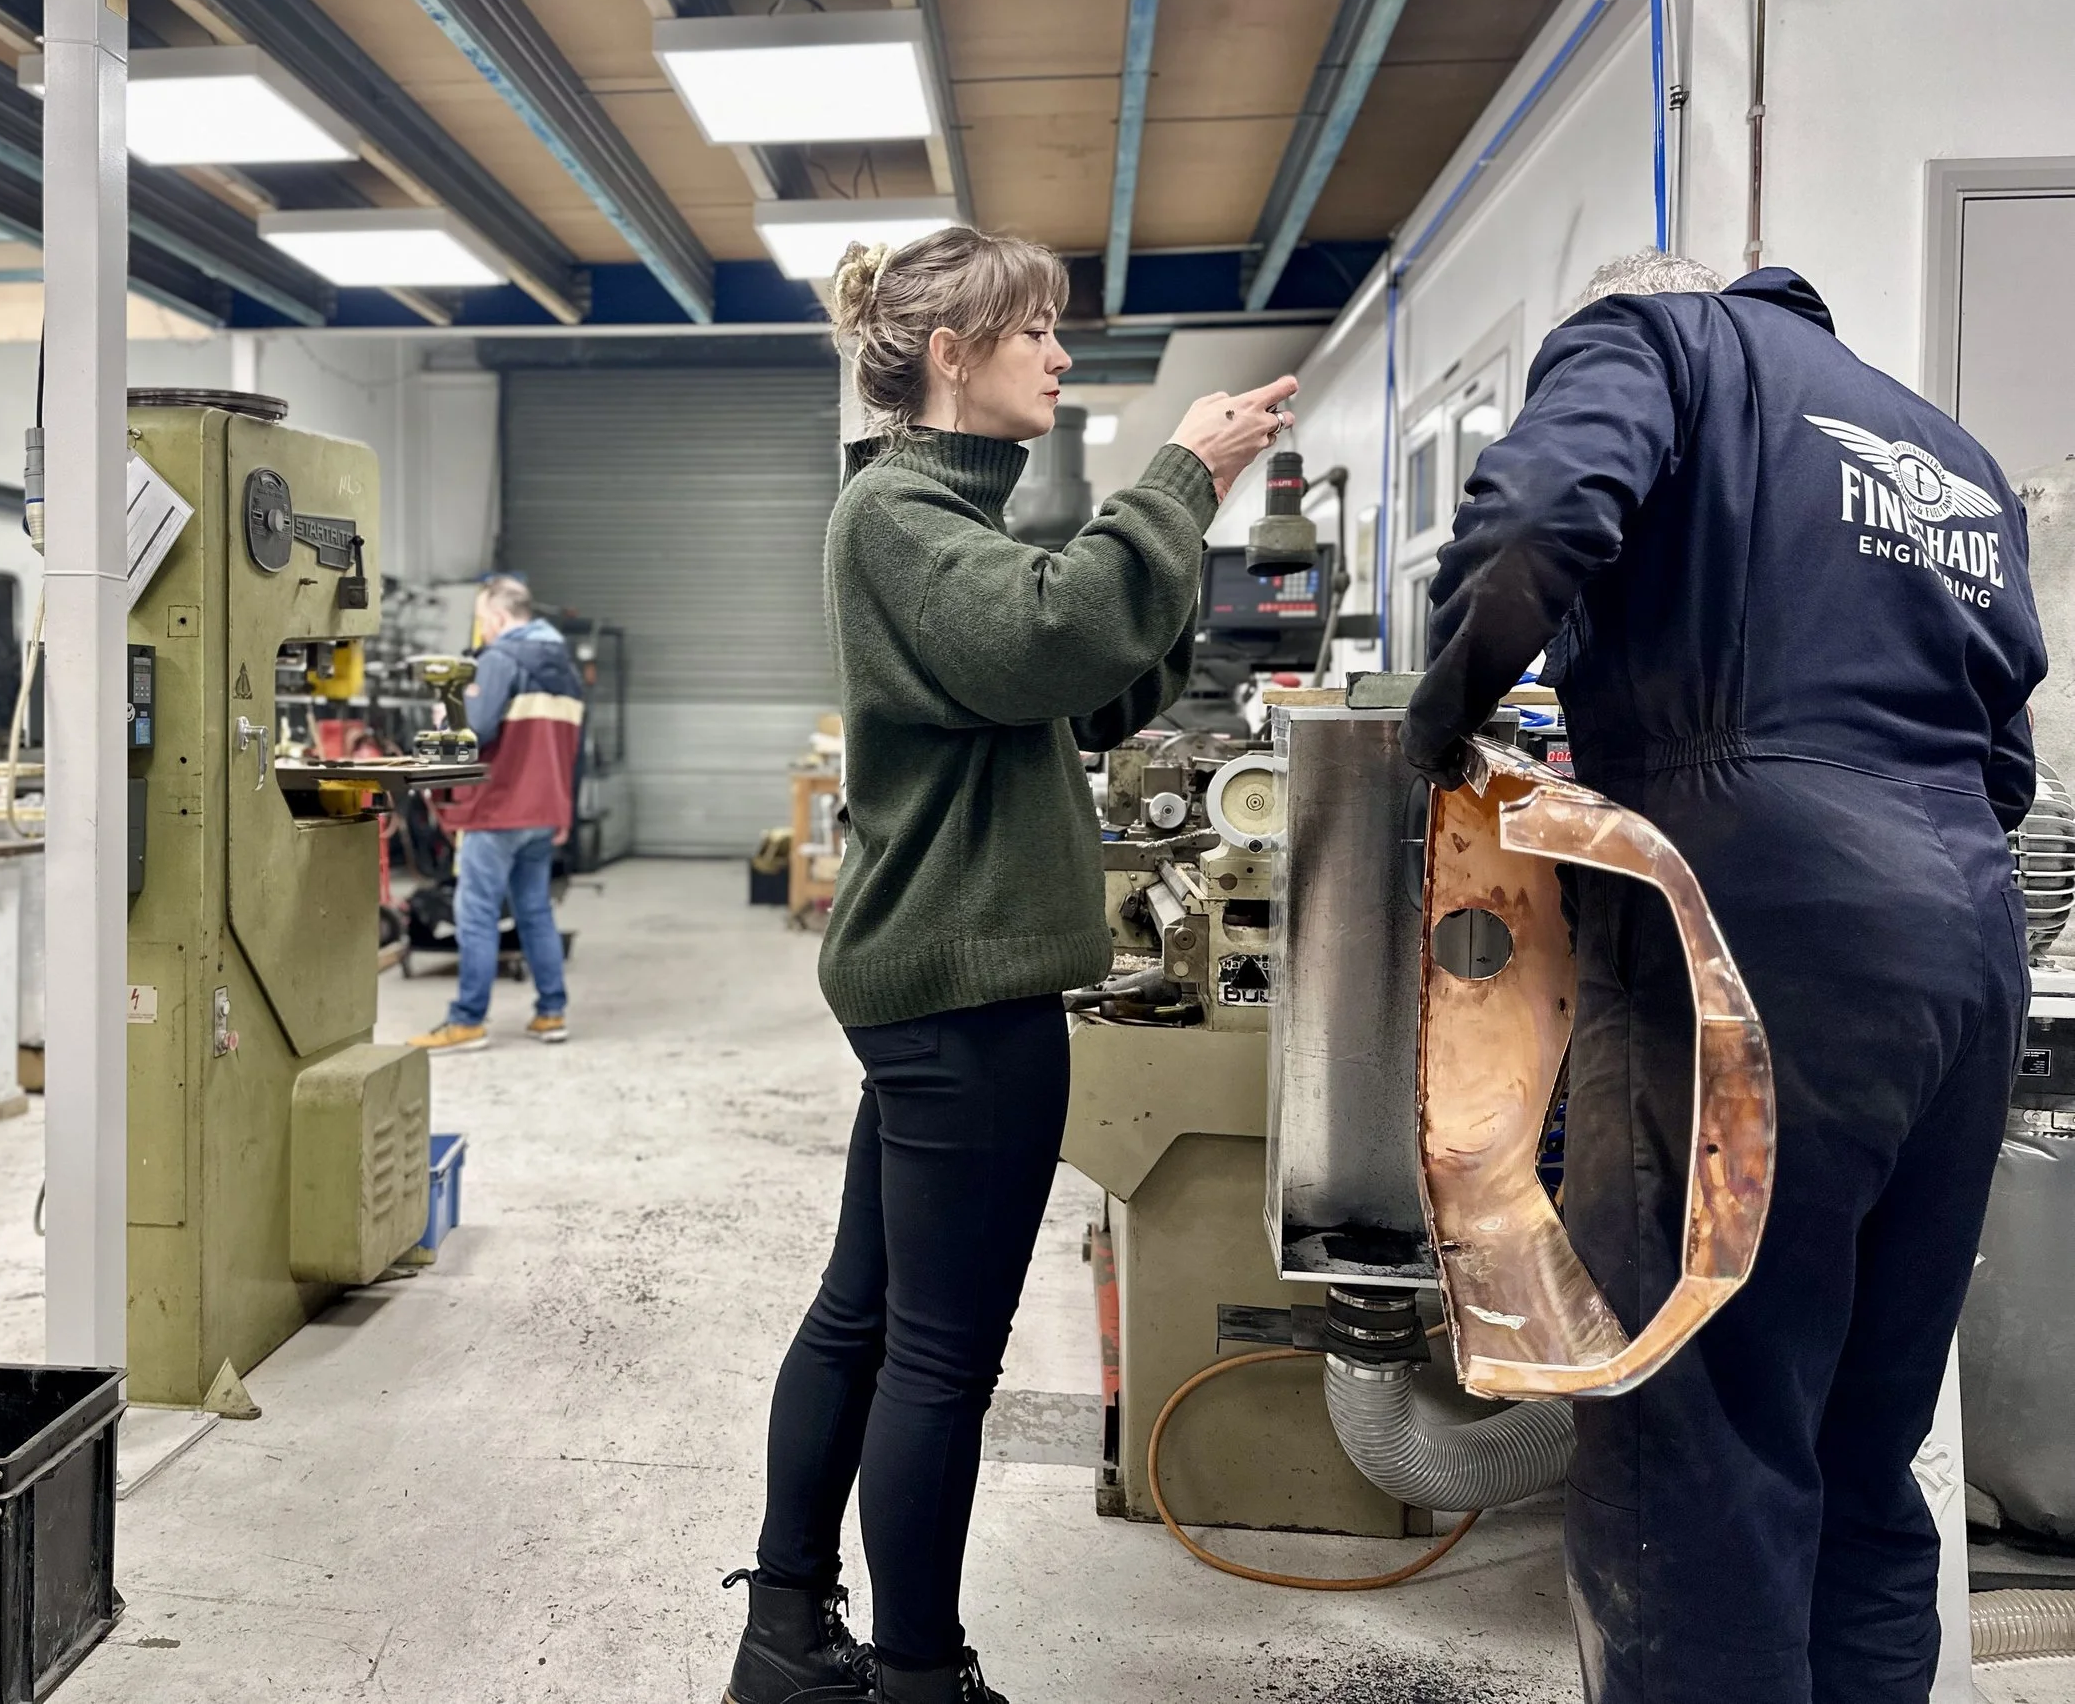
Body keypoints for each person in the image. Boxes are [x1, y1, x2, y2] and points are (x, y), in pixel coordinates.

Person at [1401, 251, 2048, 1704]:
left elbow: (1534, 528)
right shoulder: (1945, 449)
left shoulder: (1653, 337)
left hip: (1742, 921)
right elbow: (2006, 752)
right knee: (1857, 1453)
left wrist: (1441, 715)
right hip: (1963, 937)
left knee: (1694, 1438)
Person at [721, 224, 1296, 1704]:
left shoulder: (936, 518)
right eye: (1034, 328)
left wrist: (1182, 543)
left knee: (867, 1312)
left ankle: (786, 1635)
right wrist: (1176, 481)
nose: (1059, 351)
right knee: (943, 1357)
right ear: (952, 357)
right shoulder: (899, 515)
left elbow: (1081, 689)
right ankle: (921, 1669)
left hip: (942, 981)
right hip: (963, 991)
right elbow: (1051, 635)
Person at [410, 576, 586, 1055]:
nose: (482, 632)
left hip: (499, 808)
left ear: (501, 619)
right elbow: (577, 753)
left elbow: (476, 730)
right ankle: (551, 1013)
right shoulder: (566, 671)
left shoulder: (500, 661)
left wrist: (445, 717)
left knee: (476, 913)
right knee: (534, 910)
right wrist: (564, 808)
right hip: (544, 811)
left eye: (484, 622)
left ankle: (467, 1020)